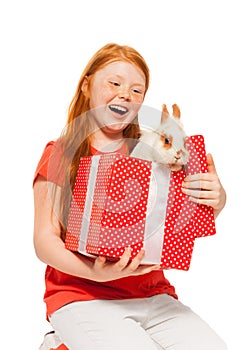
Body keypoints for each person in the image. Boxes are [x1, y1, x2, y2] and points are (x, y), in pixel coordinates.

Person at [34, 43, 227, 350]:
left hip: (153, 295)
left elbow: (176, 225)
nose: (126, 94)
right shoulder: (61, 153)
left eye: (138, 91)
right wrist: (96, 274)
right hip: (84, 295)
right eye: (115, 83)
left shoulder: (156, 155)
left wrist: (215, 200)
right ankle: (64, 340)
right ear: (87, 85)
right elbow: (45, 241)